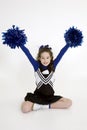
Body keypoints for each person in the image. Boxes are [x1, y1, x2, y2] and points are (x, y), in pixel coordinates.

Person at [20, 44, 72, 113]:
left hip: (49, 97)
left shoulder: (53, 65)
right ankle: (42, 105)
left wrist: (69, 43)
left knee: (68, 102)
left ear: (51, 58)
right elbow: (27, 53)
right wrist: (19, 43)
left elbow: (61, 53)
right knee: (25, 108)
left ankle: (41, 106)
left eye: (47, 58)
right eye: (43, 58)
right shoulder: (36, 66)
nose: (45, 60)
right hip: (37, 97)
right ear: (39, 58)